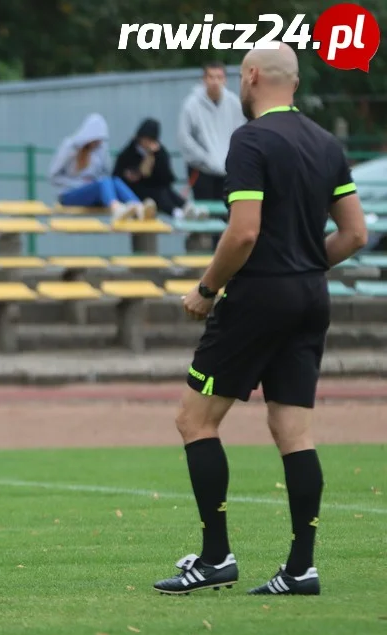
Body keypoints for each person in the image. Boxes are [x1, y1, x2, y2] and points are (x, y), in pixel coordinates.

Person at [153, 43, 368, 597]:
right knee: (293, 430)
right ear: (293, 83)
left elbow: (243, 231)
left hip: (258, 297)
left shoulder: (249, 140)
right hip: (310, 297)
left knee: (194, 420)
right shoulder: (326, 143)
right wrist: (300, 265)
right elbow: (355, 235)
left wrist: (207, 289)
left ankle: (216, 557)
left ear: (250, 77)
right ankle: (301, 568)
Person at [47, 113, 154, 221]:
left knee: (115, 181)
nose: (99, 143)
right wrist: (81, 184)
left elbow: (106, 173)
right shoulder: (70, 147)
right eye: (97, 139)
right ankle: (116, 209)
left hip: (93, 193)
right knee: (103, 182)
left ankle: (139, 207)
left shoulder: (100, 149)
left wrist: (93, 183)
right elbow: (53, 177)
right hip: (68, 195)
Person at [177, 62, 247, 203]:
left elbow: (241, 132)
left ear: (225, 80)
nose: (215, 81)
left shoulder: (234, 103)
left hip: (229, 170)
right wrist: (204, 158)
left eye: (219, 77)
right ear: (204, 79)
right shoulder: (191, 105)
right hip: (201, 169)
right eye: (211, 77)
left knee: (228, 211)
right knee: (205, 212)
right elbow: (184, 137)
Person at [113, 118, 207, 220]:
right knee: (159, 193)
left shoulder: (160, 152)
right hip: (135, 191)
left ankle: (188, 208)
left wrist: (155, 155)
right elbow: (117, 175)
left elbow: (167, 178)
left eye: (150, 140)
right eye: (144, 139)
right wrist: (132, 174)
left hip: (158, 188)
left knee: (166, 191)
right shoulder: (129, 152)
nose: (146, 143)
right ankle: (176, 212)